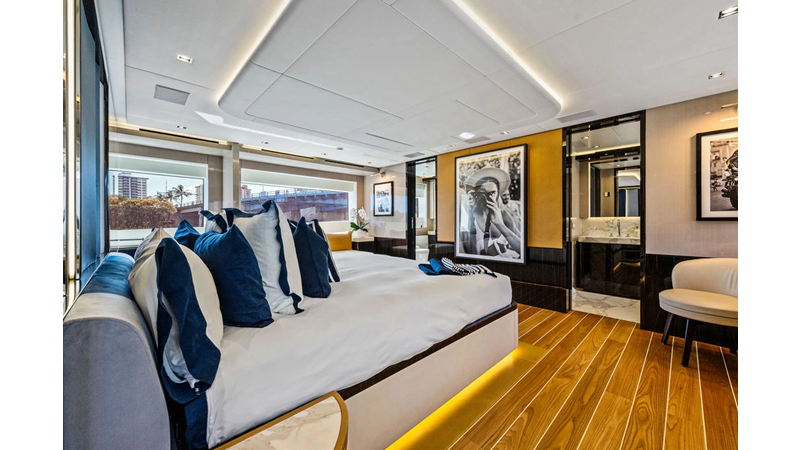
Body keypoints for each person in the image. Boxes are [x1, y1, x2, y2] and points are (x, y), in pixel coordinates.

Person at [459, 167, 522, 259]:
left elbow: (522, 249)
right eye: (483, 192)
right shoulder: (469, 214)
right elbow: (465, 250)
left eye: (492, 193)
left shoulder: (504, 214)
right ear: (476, 194)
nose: (488, 197)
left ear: (498, 193)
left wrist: (500, 224)